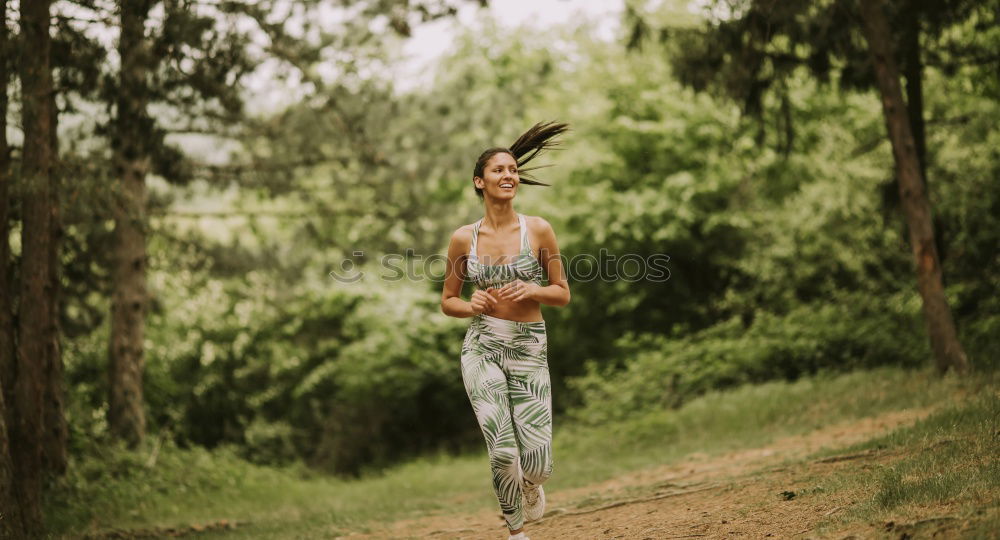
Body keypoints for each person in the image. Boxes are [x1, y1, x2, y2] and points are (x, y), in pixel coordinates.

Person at [441, 122, 572, 540]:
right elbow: (449, 300)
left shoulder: (538, 230)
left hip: (529, 347)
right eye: (499, 170)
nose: (509, 175)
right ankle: (516, 533)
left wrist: (534, 288)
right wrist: (469, 305)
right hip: (482, 346)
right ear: (480, 182)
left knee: (537, 464)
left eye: (513, 169)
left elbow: (562, 293)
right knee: (501, 450)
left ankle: (531, 486)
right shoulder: (464, 239)